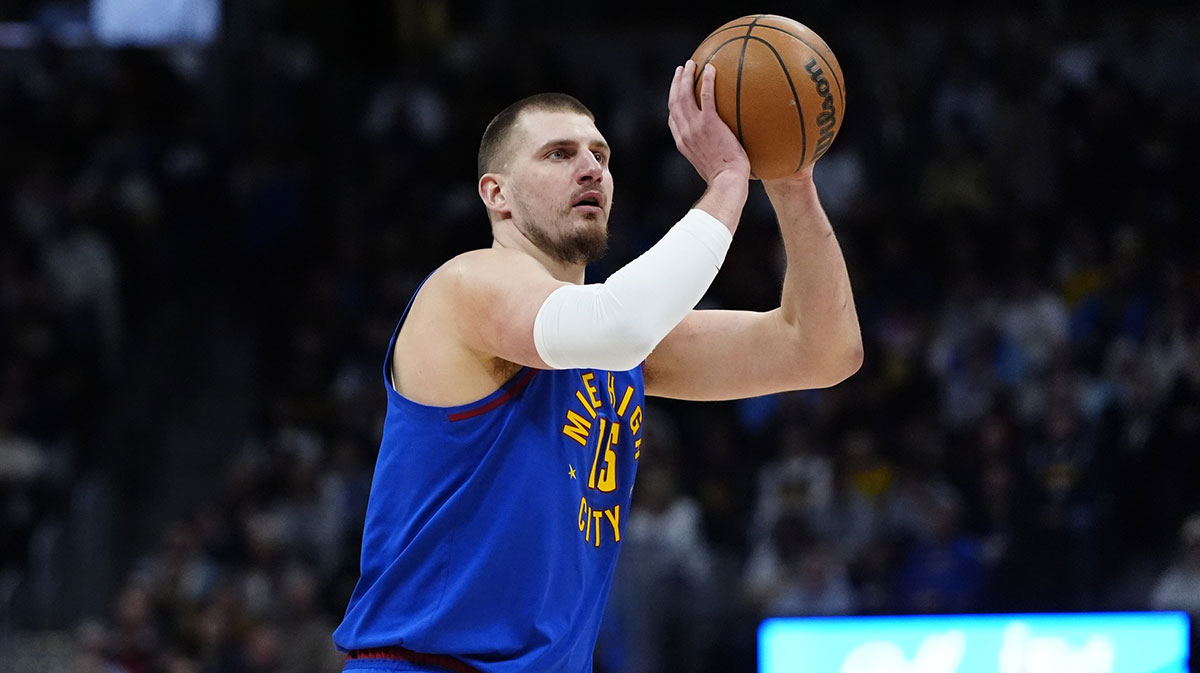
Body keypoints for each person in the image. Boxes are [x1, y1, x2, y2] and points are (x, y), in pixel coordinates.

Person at [332, 60, 863, 673]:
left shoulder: (617, 339)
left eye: (601, 156)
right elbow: (617, 323)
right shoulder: (466, 285)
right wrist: (726, 182)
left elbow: (823, 350)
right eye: (558, 154)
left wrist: (790, 178)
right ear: (496, 193)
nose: (591, 168)